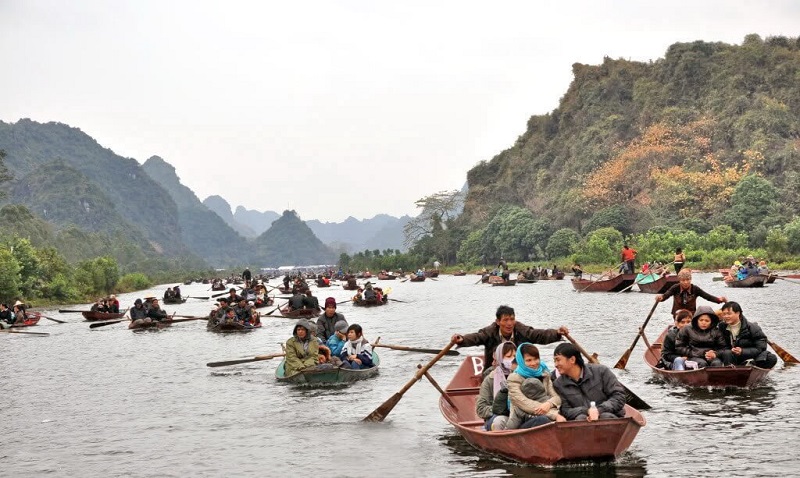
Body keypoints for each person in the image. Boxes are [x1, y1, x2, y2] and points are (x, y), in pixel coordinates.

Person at [451, 305, 568, 367]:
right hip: (495, 370)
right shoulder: (490, 332)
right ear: (498, 322)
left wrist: (557, 333)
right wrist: (462, 339)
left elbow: (539, 335)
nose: (509, 323)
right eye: (505, 320)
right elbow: (477, 337)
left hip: (519, 371)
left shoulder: (521, 330)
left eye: (512, 319)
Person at [552, 343, 626, 421]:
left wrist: (599, 410)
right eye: (554, 361)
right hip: (582, 420)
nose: (555, 365)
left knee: (605, 417)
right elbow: (565, 410)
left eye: (558, 360)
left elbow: (619, 396)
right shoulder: (558, 384)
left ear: (572, 360)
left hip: (611, 416)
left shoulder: (601, 371)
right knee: (581, 419)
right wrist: (586, 411)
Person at [505, 344, 564, 429]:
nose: (533, 363)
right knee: (542, 420)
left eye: (536, 359)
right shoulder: (513, 379)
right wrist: (554, 415)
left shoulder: (544, 374)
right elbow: (526, 404)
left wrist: (549, 403)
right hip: (522, 419)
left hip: (548, 413)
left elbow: (556, 397)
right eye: (528, 360)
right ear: (521, 361)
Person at [717, 302, 777, 369]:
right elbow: (719, 346)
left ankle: (751, 367)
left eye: (729, 314)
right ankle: (730, 371)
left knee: (771, 358)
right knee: (727, 353)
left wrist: (742, 351)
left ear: (738, 313)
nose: (726, 316)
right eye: (724, 314)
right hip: (729, 357)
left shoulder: (753, 328)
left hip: (749, 356)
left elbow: (760, 348)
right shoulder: (721, 327)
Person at [476, 342, 517, 431]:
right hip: (496, 417)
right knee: (498, 421)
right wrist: (500, 410)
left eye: (514, 356)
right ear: (499, 358)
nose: (512, 359)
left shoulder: (521, 374)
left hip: (519, 416)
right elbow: (481, 409)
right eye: (508, 357)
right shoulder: (490, 379)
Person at [656, 269, 727, 316]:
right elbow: (666, 295)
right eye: (683, 280)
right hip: (677, 314)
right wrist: (660, 298)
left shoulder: (695, 289)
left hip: (691, 314)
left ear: (691, 279)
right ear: (679, 280)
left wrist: (719, 300)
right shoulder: (675, 287)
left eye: (688, 280)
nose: (686, 282)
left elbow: (707, 297)